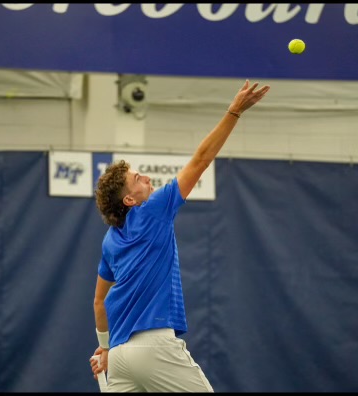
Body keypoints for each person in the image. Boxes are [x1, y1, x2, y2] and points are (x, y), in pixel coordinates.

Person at [89, 79, 270, 392]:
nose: (146, 177)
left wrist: (104, 349)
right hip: (154, 348)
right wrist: (234, 112)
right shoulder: (153, 209)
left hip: (117, 357)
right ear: (129, 200)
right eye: (137, 178)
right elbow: (200, 160)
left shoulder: (110, 239)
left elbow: (99, 301)